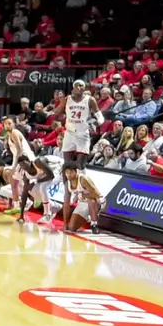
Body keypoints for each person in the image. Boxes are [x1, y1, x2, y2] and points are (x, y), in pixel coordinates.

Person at [56, 80, 101, 229]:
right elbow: (57, 113)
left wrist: (94, 122)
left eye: (82, 86)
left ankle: (82, 186)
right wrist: (54, 113)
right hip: (69, 133)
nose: (80, 88)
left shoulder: (90, 100)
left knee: (81, 163)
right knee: (67, 164)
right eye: (77, 85)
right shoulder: (67, 99)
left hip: (83, 134)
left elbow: (100, 118)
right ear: (73, 87)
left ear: (84, 89)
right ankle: (69, 186)